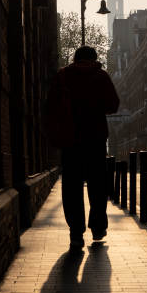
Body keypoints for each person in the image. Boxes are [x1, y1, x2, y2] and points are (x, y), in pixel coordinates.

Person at [46, 46, 119, 248]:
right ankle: (97, 227)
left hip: (70, 141)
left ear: (75, 58)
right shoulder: (100, 76)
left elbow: (50, 106)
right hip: (95, 140)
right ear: (94, 59)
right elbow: (113, 105)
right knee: (97, 185)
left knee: (72, 188)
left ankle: (76, 233)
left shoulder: (63, 76)